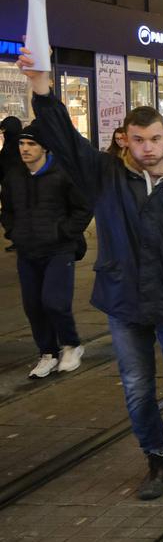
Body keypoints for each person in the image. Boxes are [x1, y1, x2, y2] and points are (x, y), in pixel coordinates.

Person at [20, 47, 163, 500]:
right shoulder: (105, 176)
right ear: (125, 140)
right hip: (124, 299)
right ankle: (156, 459)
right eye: (138, 140)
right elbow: (64, 138)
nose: (147, 148)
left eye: (154, 139)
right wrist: (41, 87)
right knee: (137, 387)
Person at [1, 123, 93, 378]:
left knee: (54, 301)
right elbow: (7, 210)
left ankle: (71, 345)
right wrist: (14, 232)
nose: (25, 148)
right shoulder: (14, 177)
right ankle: (48, 353)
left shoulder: (62, 174)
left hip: (59, 249)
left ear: (44, 148)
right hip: (27, 250)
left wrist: (64, 232)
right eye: (22, 143)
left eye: (31, 144)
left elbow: (83, 207)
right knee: (32, 305)